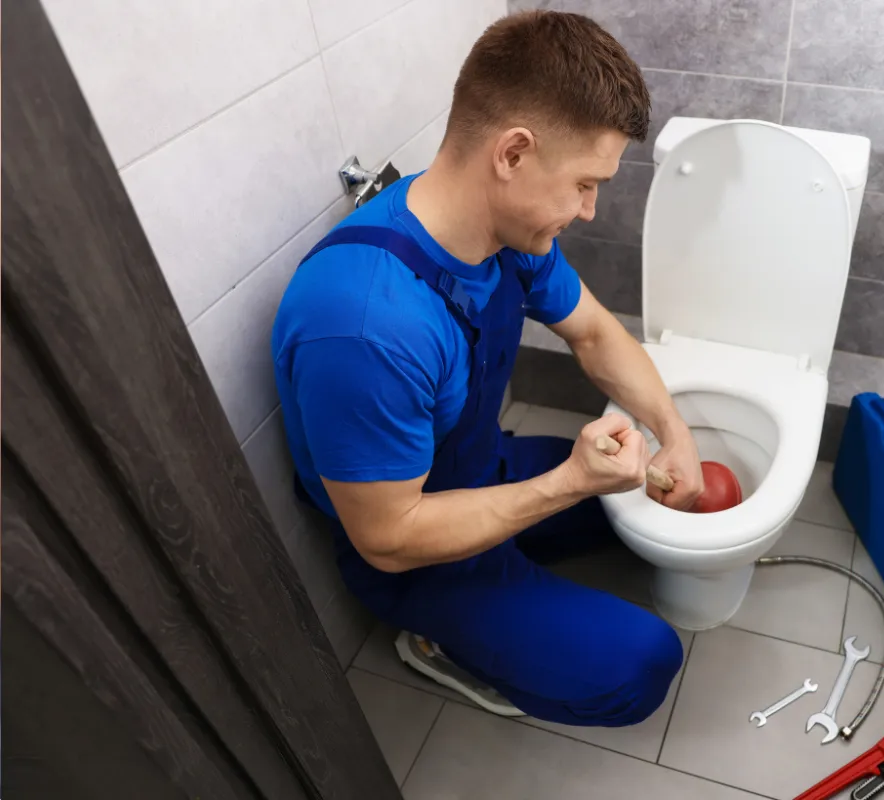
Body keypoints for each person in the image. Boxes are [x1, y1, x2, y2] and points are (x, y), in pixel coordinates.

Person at [272, 9, 704, 727]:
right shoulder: (366, 325)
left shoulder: (505, 231)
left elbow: (595, 333)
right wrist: (569, 482)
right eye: (585, 183)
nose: (590, 210)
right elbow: (388, 538)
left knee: (644, 497)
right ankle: (434, 642)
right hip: (415, 551)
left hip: (478, 467)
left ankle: (529, 574)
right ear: (513, 153)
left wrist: (673, 431)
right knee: (644, 663)